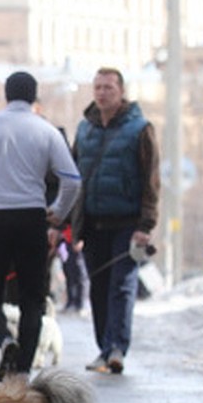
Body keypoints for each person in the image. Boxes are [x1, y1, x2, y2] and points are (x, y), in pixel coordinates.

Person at [0, 71, 81, 380]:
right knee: (32, 299)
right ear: (34, 96)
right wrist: (57, 212)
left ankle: (4, 340)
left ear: (6, 95)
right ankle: (22, 370)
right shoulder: (47, 131)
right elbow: (72, 180)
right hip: (31, 218)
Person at [71, 67, 160, 374]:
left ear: (121, 91)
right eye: (97, 87)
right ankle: (104, 348)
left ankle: (117, 348)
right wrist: (69, 223)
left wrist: (145, 226)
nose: (102, 92)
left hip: (127, 223)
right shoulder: (85, 130)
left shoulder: (140, 129)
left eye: (108, 87)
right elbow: (74, 178)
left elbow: (151, 180)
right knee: (97, 286)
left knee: (121, 285)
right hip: (94, 224)